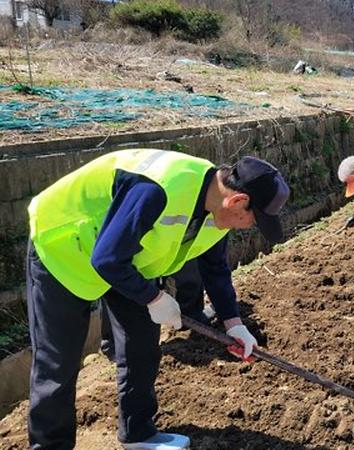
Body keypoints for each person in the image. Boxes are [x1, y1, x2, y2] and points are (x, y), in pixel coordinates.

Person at [26, 149, 290, 449]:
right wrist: (153, 298)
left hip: (130, 260)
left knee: (142, 346)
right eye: (252, 220)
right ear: (238, 201)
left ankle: (138, 432)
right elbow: (107, 259)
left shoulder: (218, 209)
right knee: (58, 362)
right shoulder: (159, 188)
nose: (248, 226)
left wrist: (233, 324)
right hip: (65, 246)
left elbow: (215, 269)